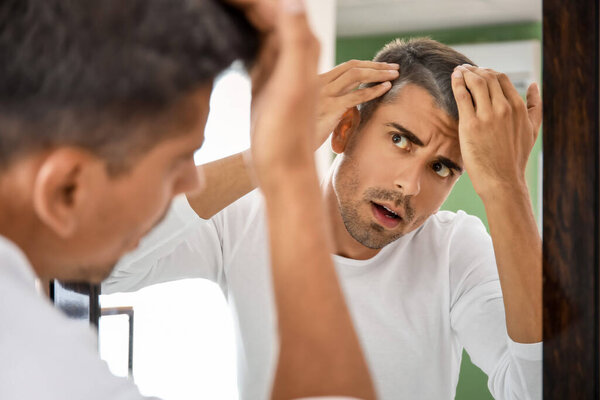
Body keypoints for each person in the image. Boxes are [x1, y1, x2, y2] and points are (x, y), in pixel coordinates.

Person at [105, 38, 543, 400]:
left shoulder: (455, 250)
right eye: (400, 140)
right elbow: (104, 270)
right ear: (344, 129)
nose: (410, 186)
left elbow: (537, 389)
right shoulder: (246, 218)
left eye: (442, 167)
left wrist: (508, 189)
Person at [0, 0, 378, 399]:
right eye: (177, 163)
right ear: (67, 190)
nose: (194, 180)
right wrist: (286, 166)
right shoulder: (47, 375)